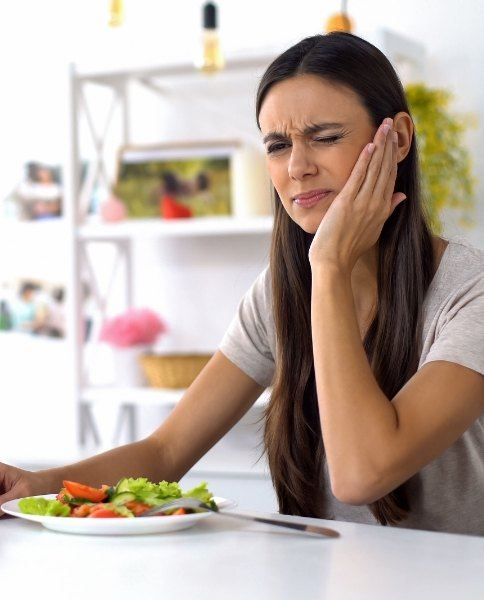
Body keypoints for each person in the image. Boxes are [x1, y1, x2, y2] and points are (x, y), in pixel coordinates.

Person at [1, 32, 483, 535]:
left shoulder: (470, 294)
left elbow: (362, 475)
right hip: (327, 581)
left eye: (325, 137)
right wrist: (39, 484)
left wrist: (331, 267)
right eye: (278, 146)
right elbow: (165, 451)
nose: (298, 166)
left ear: (398, 139)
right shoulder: (282, 292)